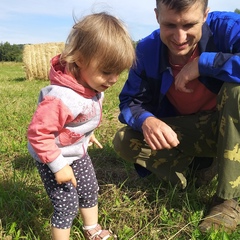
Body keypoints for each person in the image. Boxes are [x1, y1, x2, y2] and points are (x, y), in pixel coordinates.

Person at [113, 0, 240, 233]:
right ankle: (197, 170)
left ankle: (227, 199)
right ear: (156, 16)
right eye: (170, 25)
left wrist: (205, 63)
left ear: (205, 15)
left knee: (237, 91)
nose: (179, 37)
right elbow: (129, 102)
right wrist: (147, 120)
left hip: (231, 125)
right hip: (188, 129)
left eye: (189, 25)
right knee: (125, 139)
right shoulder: (147, 50)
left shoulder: (229, 29)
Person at [27, 12, 135, 240]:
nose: (114, 79)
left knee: (89, 189)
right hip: (51, 156)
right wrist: (58, 166)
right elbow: (38, 134)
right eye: (107, 71)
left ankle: (91, 228)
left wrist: (88, 134)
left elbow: (84, 117)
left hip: (77, 150)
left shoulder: (94, 86)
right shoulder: (61, 98)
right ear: (80, 60)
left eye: (119, 72)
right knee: (66, 204)